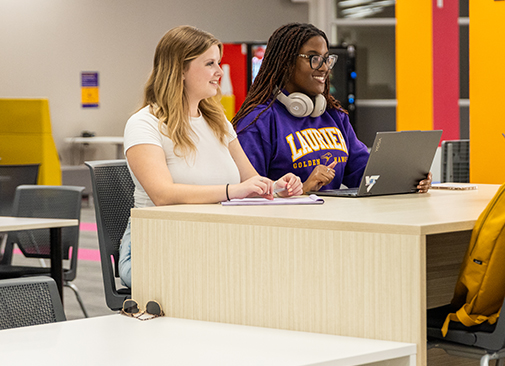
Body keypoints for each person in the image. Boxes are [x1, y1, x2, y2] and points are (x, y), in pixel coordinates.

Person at [120, 25, 303, 288]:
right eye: (209, 63)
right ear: (179, 69)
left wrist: (277, 187)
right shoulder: (144, 123)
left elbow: (251, 182)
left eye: (219, 62)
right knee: (231, 279)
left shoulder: (217, 122)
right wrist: (233, 191)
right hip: (155, 244)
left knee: (276, 271)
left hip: (212, 240)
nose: (219, 72)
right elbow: (163, 194)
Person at [233, 22, 431, 193]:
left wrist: (408, 179)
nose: (325, 67)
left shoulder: (334, 116)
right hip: (287, 231)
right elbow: (248, 195)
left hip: (333, 227)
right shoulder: (257, 121)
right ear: (286, 63)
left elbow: (364, 174)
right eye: (314, 58)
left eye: (326, 59)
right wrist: (303, 188)